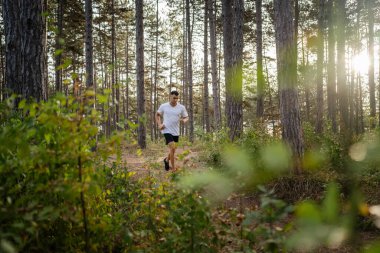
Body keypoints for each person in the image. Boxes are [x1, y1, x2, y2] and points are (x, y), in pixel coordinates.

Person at [156, 90, 188, 171]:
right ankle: (173, 168)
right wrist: (159, 124)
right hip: (166, 130)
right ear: (170, 96)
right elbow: (157, 115)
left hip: (176, 131)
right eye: (174, 98)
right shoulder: (164, 106)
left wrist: (185, 120)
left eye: (177, 98)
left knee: (173, 150)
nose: (175, 100)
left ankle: (166, 160)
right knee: (172, 148)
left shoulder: (181, 107)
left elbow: (186, 117)